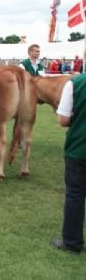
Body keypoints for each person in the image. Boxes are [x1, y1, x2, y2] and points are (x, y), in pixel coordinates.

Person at [51, 72, 86, 254]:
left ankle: (72, 242)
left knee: (75, 195)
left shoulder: (75, 83)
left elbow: (63, 120)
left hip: (79, 148)